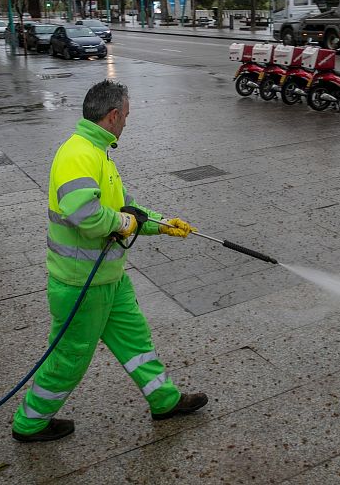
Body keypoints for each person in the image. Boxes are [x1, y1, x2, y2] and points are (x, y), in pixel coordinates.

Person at [11, 80, 208, 443]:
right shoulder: (78, 154)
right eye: (127, 116)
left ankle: (164, 400)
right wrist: (124, 222)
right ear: (114, 115)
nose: (127, 123)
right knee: (69, 359)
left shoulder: (98, 152)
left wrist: (164, 225)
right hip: (81, 285)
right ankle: (31, 422)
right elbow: (87, 217)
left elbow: (125, 209)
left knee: (136, 342)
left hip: (109, 279)